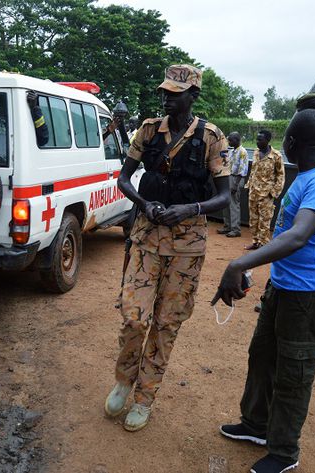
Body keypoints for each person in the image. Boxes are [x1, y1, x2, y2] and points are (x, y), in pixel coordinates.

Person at [213, 109, 315, 473]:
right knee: (262, 357)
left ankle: (285, 452)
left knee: (292, 373)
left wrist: (241, 264)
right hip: (285, 286)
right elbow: (289, 238)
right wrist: (265, 274)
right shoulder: (309, 175)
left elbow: (299, 235)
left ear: (291, 143)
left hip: (308, 296)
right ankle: (256, 426)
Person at [104, 64, 230, 432]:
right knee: (133, 316)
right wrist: (145, 205)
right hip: (146, 235)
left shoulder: (211, 137)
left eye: (175, 93)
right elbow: (124, 179)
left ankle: (145, 396)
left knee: (166, 324)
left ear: (193, 95)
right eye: (165, 92)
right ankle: (124, 380)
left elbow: (224, 196)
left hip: (187, 245)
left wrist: (189, 208)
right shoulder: (147, 130)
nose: (167, 98)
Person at [245, 130, 285, 250]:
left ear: (267, 140)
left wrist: (273, 193)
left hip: (266, 195)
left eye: (260, 139)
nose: (257, 142)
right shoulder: (256, 153)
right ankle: (255, 242)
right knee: (253, 220)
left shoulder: (276, 155)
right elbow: (253, 171)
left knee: (265, 222)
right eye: (256, 139)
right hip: (253, 193)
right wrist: (248, 185)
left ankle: (264, 245)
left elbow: (281, 176)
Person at [218, 132, 249, 237]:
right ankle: (227, 227)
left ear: (236, 140)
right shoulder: (231, 151)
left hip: (236, 179)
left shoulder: (242, 152)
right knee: (226, 203)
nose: (229, 142)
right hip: (229, 177)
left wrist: (235, 185)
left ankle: (236, 229)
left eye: (230, 140)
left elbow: (242, 170)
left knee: (234, 204)